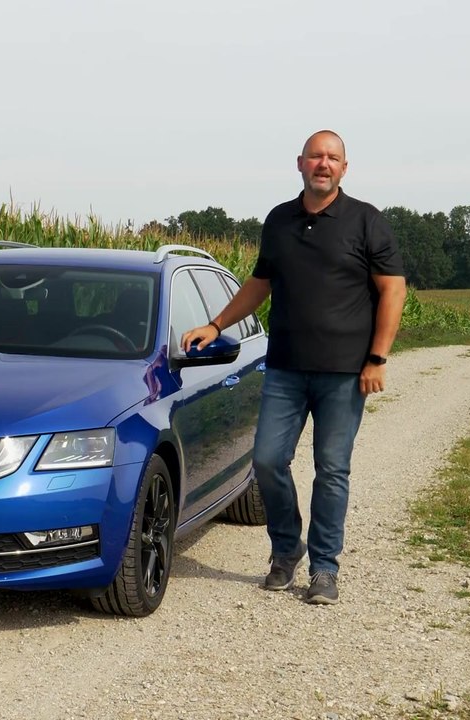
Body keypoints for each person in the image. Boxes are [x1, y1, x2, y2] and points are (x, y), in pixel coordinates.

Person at [181, 130, 407, 605]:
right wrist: (215, 323)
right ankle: (287, 549)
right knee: (265, 460)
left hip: (345, 373)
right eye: (315, 157)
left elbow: (392, 290)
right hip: (284, 367)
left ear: (344, 168)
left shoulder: (367, 221)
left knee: (332, 469)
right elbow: (260, 282)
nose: (323, 164)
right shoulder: (279, 220)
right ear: (300, 164)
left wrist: (377, 358)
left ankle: (324, 568)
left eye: (333, 158)